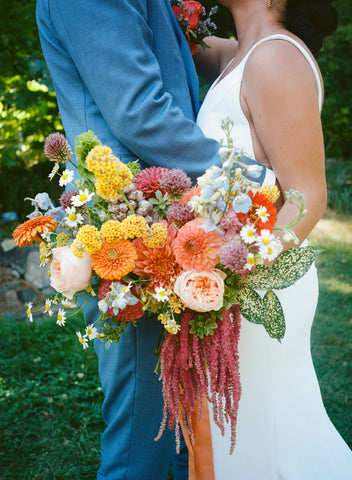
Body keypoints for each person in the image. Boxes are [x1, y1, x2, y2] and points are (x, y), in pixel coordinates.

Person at [35, 1, 224, 479]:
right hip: (131, 233)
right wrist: (243, 178)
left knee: (186, 433)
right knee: (141, 436)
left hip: (169, 223)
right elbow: (138, 113)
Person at [182, 0, 352, 478]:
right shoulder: (237, 54)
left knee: (272, 444)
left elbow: (307, 195)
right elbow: (172, 32)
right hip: (227, 286)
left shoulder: (275, 57)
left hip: (258, 289)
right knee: (243, 445)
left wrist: (238, 272)